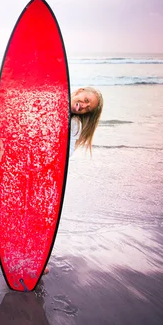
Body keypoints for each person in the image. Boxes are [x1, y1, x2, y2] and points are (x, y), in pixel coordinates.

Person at [44, 86, 103, 275]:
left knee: (42, 217)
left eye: (88, 107)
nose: (84, 105)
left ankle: (38, 257)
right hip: (21, 163)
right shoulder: (51, 102)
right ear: (79, 91)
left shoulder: (75, 124)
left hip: (46, 174)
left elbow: (62, 155)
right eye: (85, 99)